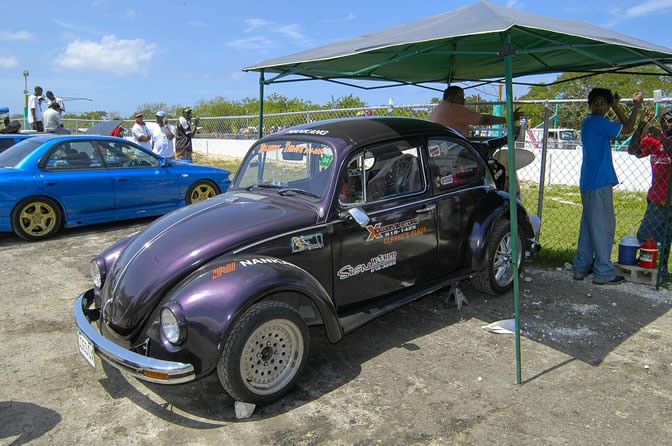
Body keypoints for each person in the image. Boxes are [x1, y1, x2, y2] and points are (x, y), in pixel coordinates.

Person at [572, 88, 642, 285]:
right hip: (598, 181)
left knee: (588, 227)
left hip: (589, 181)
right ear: (590, 105)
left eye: (603, 102)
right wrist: (632, 105)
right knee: (603, 226)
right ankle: (603, 272)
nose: (599, 106)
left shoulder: (590, 122)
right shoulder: (598, 122)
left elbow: (621, 127)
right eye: (596, 102)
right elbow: (628, 127)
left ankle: (581, 267)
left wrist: (613, 105)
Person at [627, 106, 672, 277]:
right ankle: (653, 268)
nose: (667, 123)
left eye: (671, 120)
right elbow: (633, 151)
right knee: (654, 235)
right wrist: (640, 126)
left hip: (668, 197)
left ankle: (656, 267)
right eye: (664, 120)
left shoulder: (661, 138)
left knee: (657, 236)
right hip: (657, 197)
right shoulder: (654, 139)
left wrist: (661, 137)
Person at [428, 86, 522, 137]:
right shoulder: (454, 108)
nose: (463, 100)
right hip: (451, 149)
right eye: (461, 97)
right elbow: (484, 120)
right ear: (450, 97)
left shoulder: (439, 108)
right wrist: (506, 120)